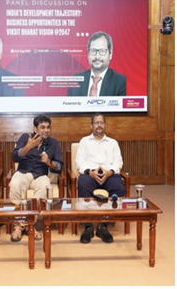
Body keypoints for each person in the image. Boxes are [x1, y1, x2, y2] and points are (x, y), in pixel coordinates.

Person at [8, 114, 62, 241]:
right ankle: (19, 226)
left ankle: (29, 224)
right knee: (15, 183)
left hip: (40, 175)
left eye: (48, 127)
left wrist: (49, 162)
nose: (46, 130)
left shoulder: (54, 143)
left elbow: (59, 166)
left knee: (45, 187)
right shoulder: (25, 138)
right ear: (35, 129)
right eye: (42, 127)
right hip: (24, 172)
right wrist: (29, 146)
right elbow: (15, 156)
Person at [75, 113, 124, 243]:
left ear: (105, 125)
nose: (99, 125)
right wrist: (90, 172)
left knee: (119, 189)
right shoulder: (84, 141)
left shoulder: (113, 143)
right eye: (96, 123)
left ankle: (104, 225)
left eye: (101, 122)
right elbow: (80, 161)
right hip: (90, 173)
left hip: (109, 174)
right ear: (91, 125)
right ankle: (88, 226)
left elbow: (118, 162)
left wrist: (109, 172)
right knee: (83, 185)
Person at [71, 31, 125, 97]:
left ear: (110, 54)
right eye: (93, 51)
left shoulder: (121, 82)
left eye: (102, 51)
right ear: (88, 54)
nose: (97, 56)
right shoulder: (75, 80)